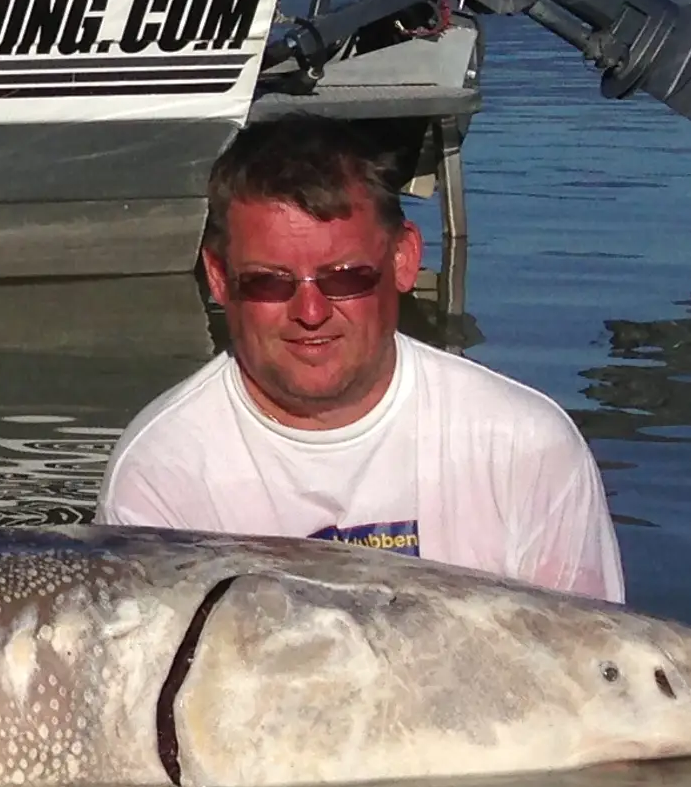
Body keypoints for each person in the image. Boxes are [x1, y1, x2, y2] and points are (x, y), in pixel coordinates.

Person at [102, 117, 622, 600]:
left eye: (346, 278)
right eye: (269, 283)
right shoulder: (160, 473)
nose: (310, 312)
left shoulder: (528, 447)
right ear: (218, 278)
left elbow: (592, 658)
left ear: (403, 259)